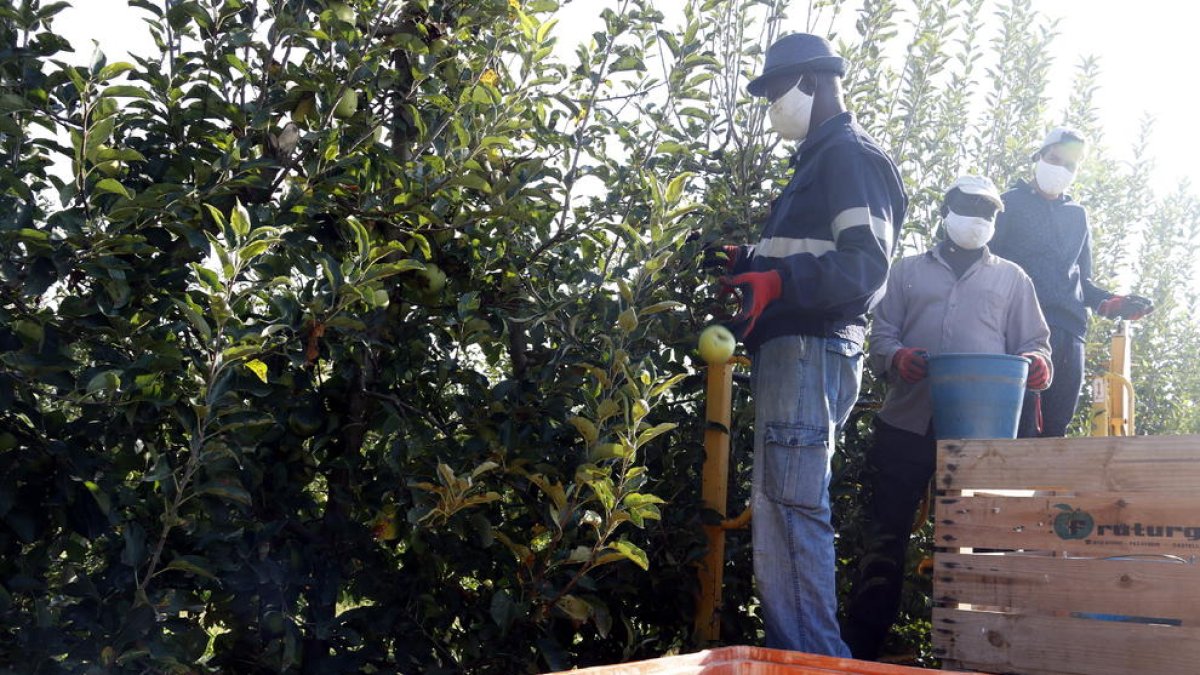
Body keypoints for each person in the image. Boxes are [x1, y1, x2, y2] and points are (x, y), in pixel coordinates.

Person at [703, 33, 907, 656]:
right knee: (781, 508)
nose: (771, 108)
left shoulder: (847, 156)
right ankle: (802, 655)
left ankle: (814, 662)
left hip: (810, 351)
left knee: (791, 509)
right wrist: (750, 260)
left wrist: (779, 279)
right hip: (798, 351)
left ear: (812, 83)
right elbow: (816, 255)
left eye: (773, 94)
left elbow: (866, 266)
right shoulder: (821, 161)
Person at [841, 176, 1053, 661]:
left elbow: (1035, 344)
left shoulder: (1013, 279)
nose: (979, 218)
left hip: (981, 437)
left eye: (989, 212)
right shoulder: (907, 272)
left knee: (981, 543)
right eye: (970, 208)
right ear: (946, 210)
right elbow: (881, 336)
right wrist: (896, 359)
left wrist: (1040, 365)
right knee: (885, 536)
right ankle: (864, 649)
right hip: (907, 422)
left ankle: (977, 653)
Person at [989, 127, 1153, 437]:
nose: (1061, 169)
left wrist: (1112, 302)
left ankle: (1050, 485)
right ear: (1038, 157)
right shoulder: (1007, 204)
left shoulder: (1077, 216)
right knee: (1020, 428)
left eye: (1070, 165)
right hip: (1019, 331)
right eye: (1055, 159)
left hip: (1070, 333)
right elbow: (988, 268)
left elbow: (1084, 282)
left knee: (1055, 429)